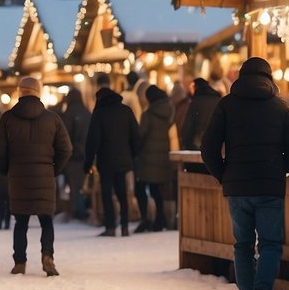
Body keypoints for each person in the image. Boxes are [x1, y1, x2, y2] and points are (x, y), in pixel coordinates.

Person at [201, 57, 289, 290]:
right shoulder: (280, 107)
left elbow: (207, 148)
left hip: (237, 188)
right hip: (269, 186)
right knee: (270, 244)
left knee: (243, 246)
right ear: (269, 78)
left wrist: (224, 175)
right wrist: (281, 170)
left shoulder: (226, 105)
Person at [0, 76, 71, 276]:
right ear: (38, 92)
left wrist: (6, 170)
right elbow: (66, 149)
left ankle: (19, 262)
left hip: (18, 177)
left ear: (20, 92)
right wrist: (53, 170)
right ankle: (48, 257)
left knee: (21, 222)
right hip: (45, 176)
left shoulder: (8, 118)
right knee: (46, 221)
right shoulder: (52, 118)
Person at [83, 83, 141, 237]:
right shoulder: (126, 111)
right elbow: (136, 136)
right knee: (122, 193)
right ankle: (124, 226)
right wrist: (133, 156)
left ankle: (110, 226)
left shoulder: (99, 113)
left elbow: (92, 140)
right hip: (123, 159)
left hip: (105, 161)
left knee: (107, 193)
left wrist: (88, 163)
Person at [135, 85, 174, 233]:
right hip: (164, 156)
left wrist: (135, 150)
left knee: (140, 188)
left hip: (148, 159)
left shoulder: (148, 115)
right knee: (156, 189)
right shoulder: (170, 111)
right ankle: (160, 219)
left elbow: (141, 135)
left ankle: (146, 218)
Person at [58, 87, 91, 221]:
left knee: (74, 185)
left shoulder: (68, 114)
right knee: (84, 185)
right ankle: (84, 210)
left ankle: (77, 211)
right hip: (87, 156)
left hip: (73, 157)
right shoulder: (88, 113)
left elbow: (64, 137)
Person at [179, 77, 222, 151]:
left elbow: (188, 124)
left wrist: (184, 142)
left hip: (197, 145)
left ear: (196, 87)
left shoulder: (196, 101)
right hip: (216, 143)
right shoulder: (218, 100)